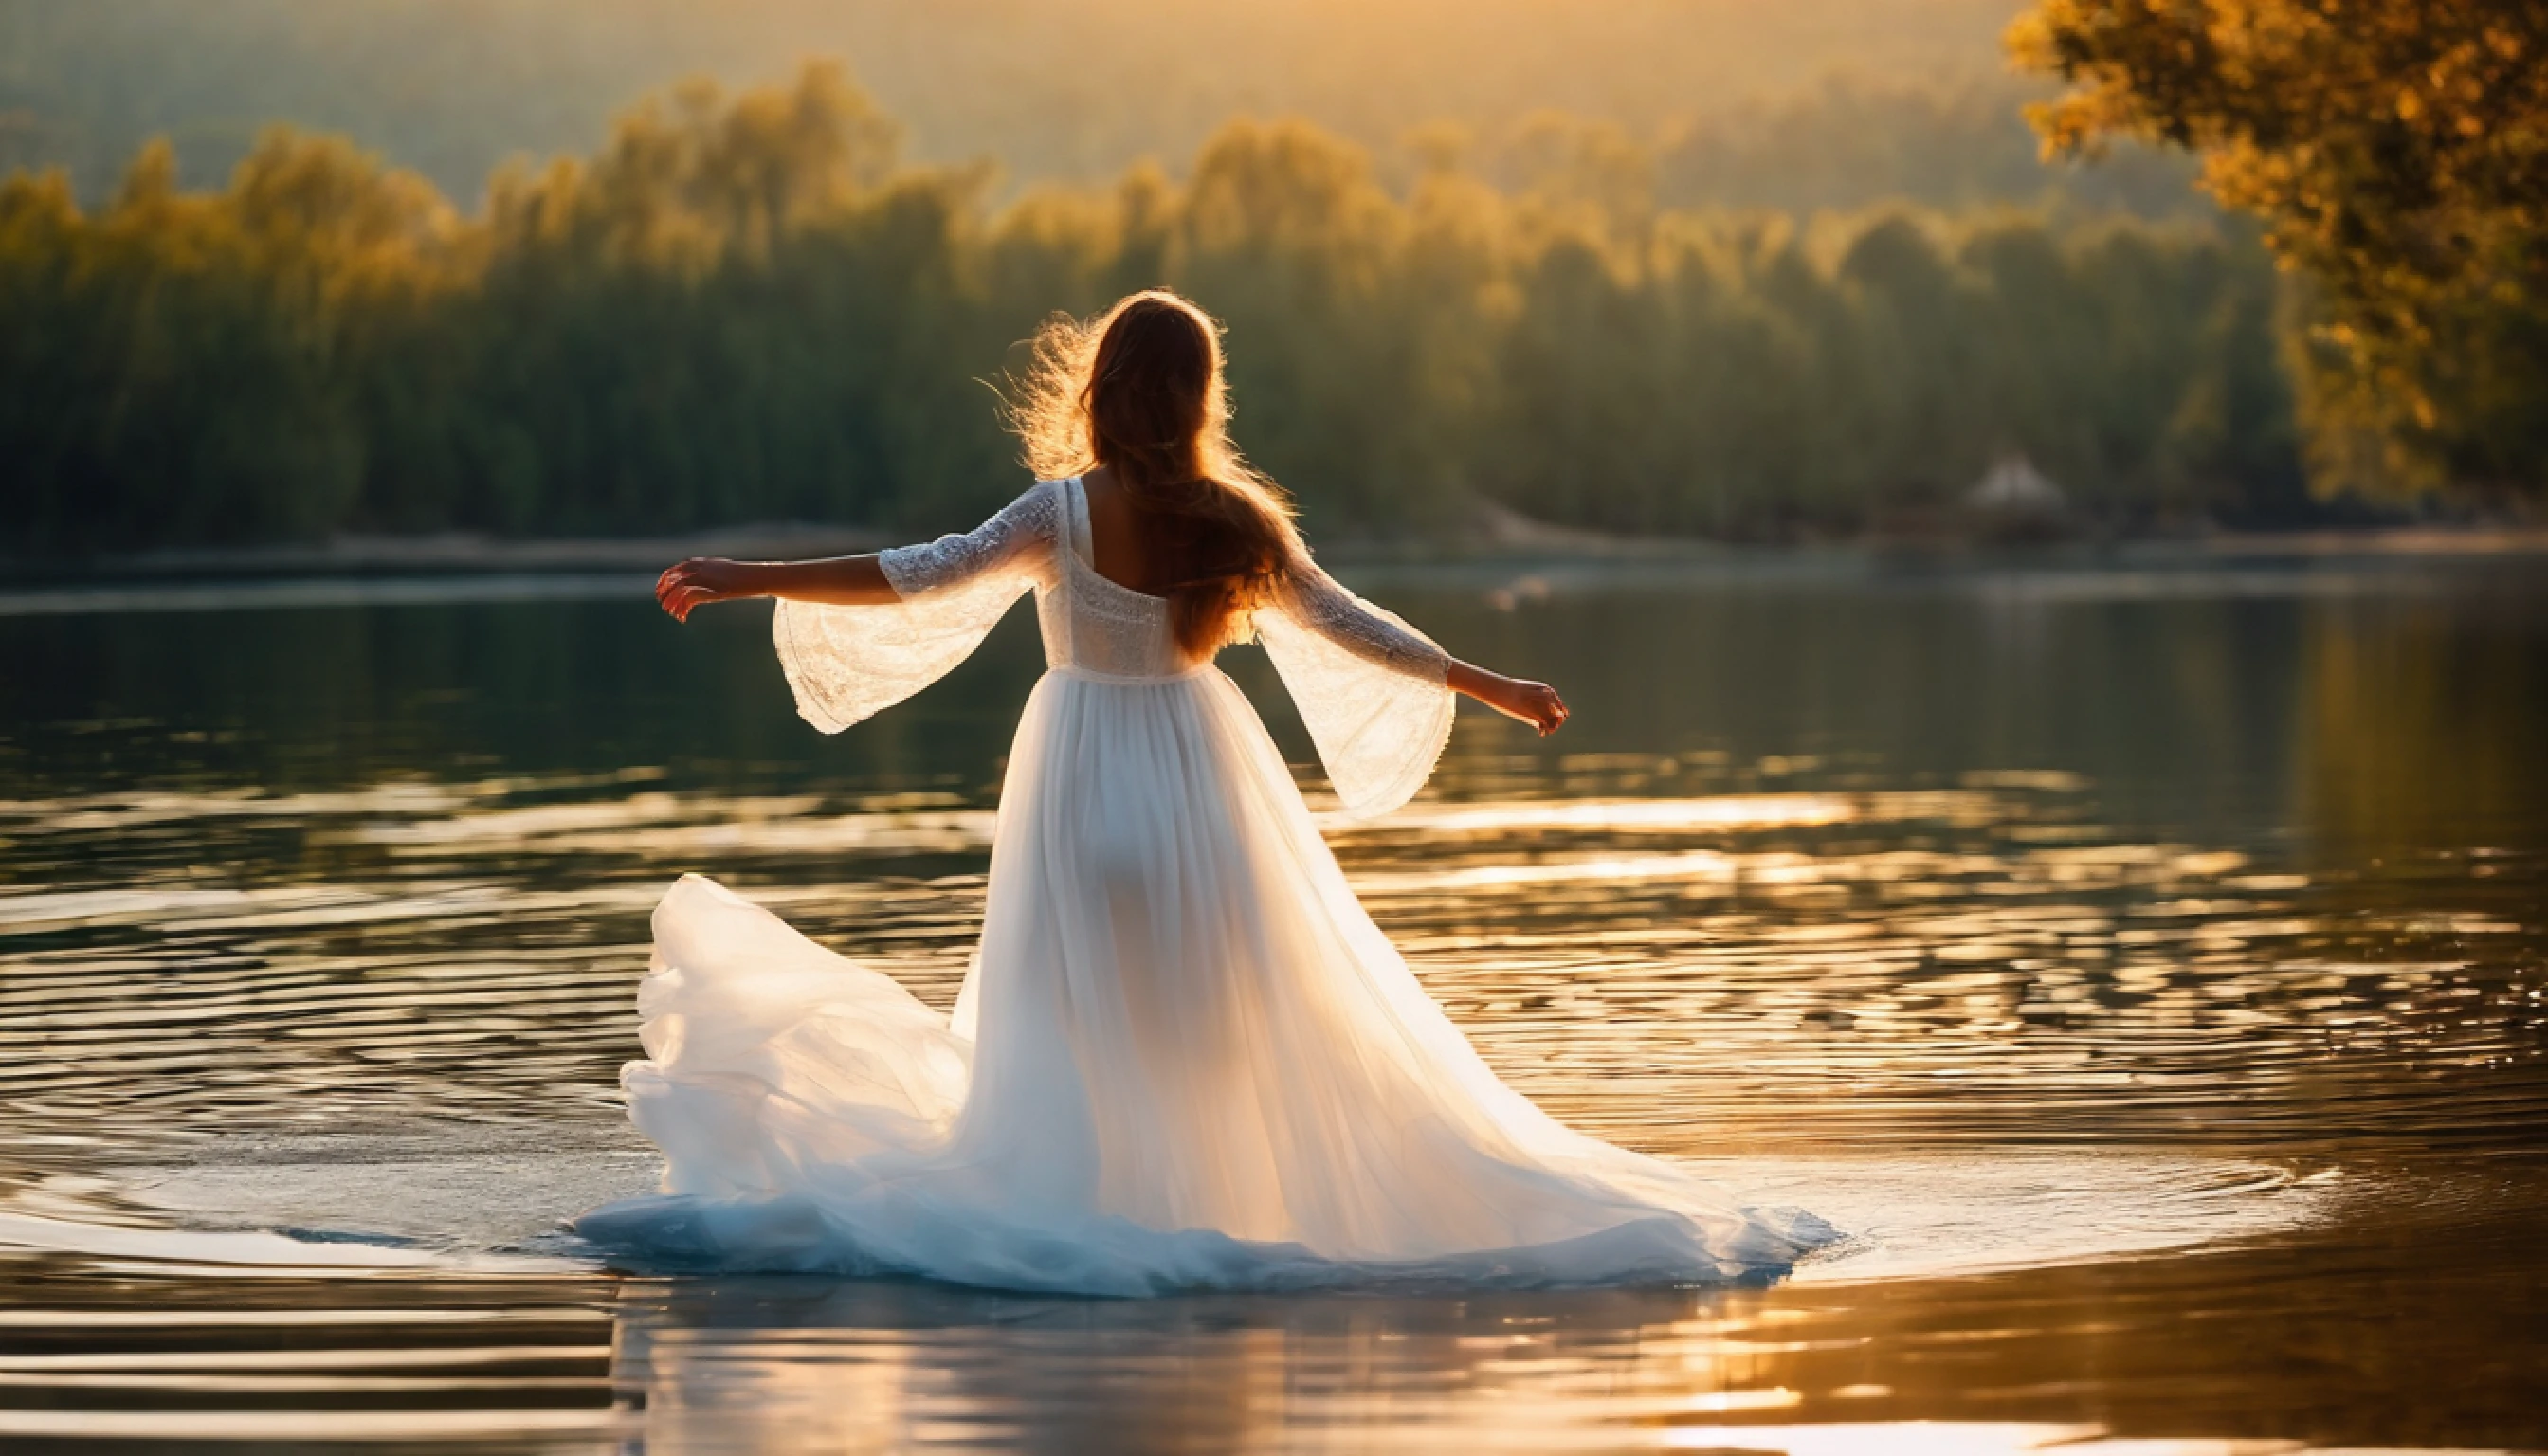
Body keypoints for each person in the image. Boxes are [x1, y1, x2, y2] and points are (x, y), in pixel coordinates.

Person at [575, 290, 1832, 1294]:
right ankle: (1210, 1212)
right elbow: (1354, 627)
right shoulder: (1236, 521)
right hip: (1198, 780)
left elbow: (925, 573)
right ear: (1199, 401)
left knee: (1061, 1020)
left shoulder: (1061, 512)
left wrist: (748, 576)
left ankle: (1097, 1209)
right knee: (1221, 1026)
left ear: (1103, 392)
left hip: (1074, 781)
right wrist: (1489, 683)